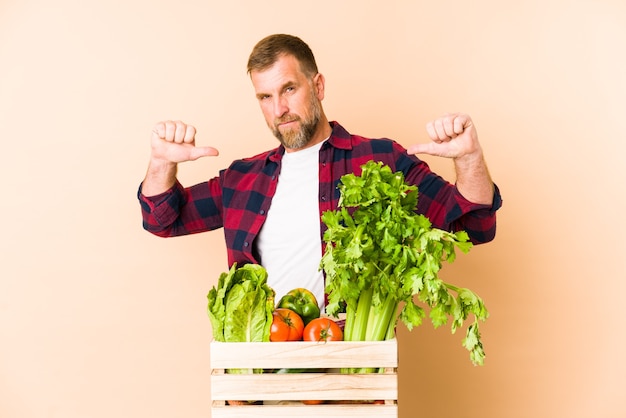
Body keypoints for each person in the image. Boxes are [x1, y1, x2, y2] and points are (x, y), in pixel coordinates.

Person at [138, 34, 502, 308]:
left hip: (352, 369)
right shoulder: (242, 180)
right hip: (262, 371)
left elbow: (474, 226)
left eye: (289, 89)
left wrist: (468, 159)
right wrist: (161, 164)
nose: (279, 108)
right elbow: (163, 220)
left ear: (318, 86)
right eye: (265, 97)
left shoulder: (381, 161)